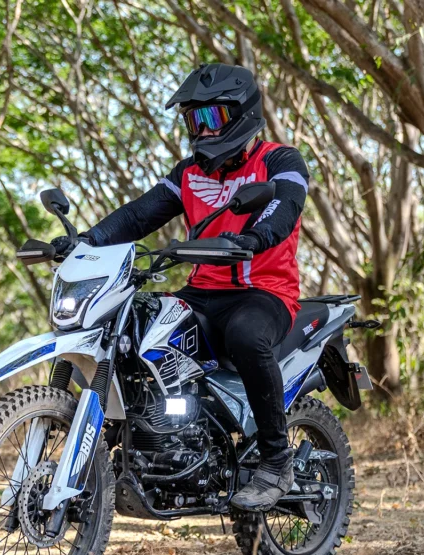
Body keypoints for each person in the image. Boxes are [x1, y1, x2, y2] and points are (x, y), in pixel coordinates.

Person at [51, 63, 309, 512]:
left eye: (212, 117)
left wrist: (254, 238)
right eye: (194, 120)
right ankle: (145, 441)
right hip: (202, 292)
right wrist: (86, 240)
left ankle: (275, 461)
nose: (202, 130)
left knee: (247, 335)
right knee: (135, 326)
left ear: (243, 114)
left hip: (264, 292)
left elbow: (284, 207)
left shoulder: (280, 161)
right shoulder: (189, 173)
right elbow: (139, 215)